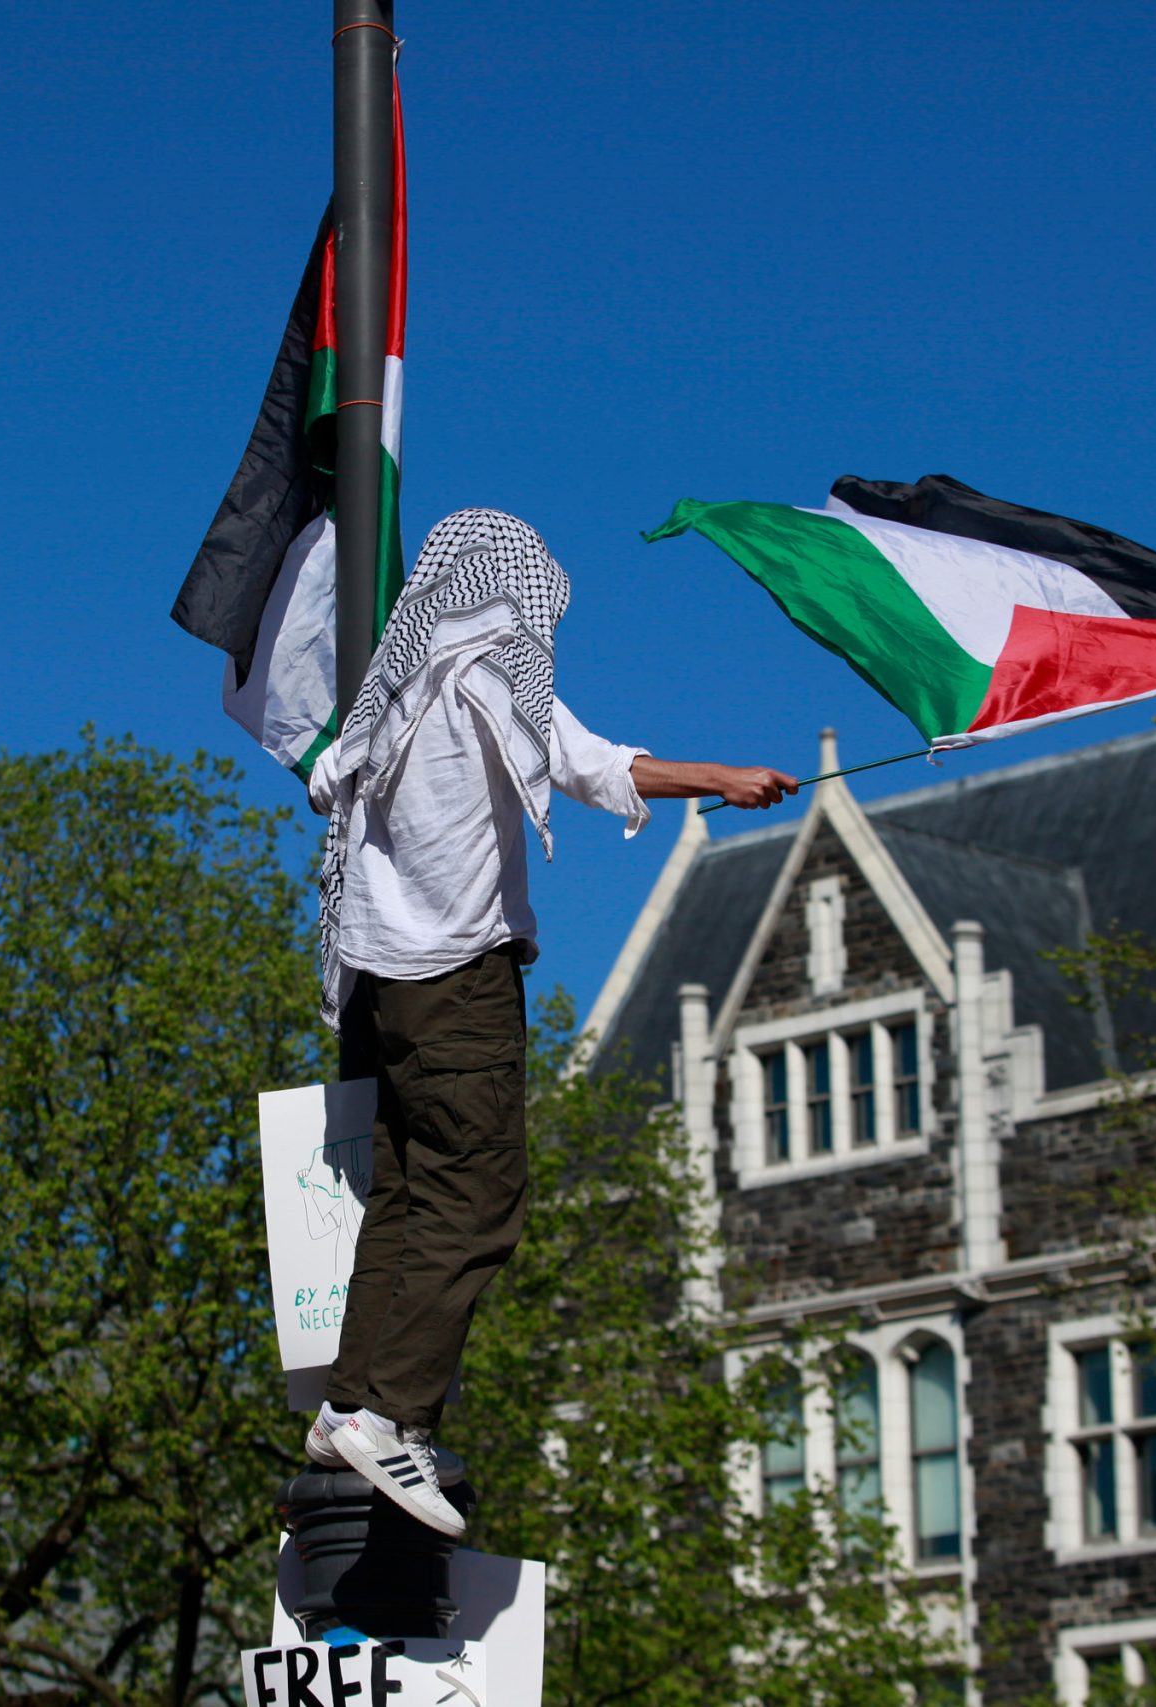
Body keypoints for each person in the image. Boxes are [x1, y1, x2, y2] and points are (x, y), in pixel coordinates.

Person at [298, 508, 796, 1535]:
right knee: (479, 1201)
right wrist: (723, 778)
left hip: (379, 989)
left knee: (403, 1192)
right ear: (503, 593)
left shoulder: (385, 696)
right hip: (458, 981)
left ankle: (349, 1399)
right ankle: (393, 1418)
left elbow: (330, 787)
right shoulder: (490, 682)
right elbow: (593, 765)